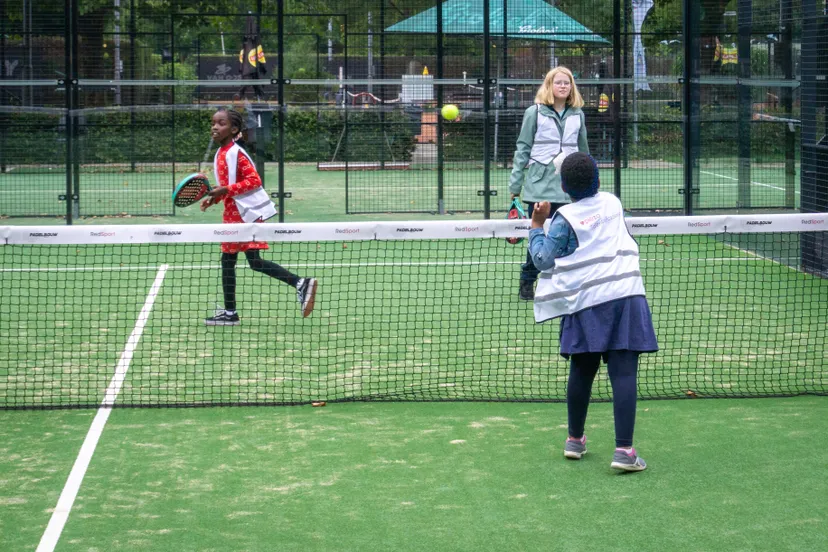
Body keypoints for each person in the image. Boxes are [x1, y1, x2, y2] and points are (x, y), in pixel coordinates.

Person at [527, 152, 658, 472]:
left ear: (563, 186)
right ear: (598, 179)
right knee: (624, 374)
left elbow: (542, 260)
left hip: (585, 304)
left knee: (582, 371)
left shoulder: (563, 219)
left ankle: (575, 440)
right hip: (626, 297)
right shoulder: (613, 202)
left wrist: (535, 225)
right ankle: (624, 452)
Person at [201, 108, 317, 325]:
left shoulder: (236, 152)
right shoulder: (221, 153)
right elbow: (227, 186)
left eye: (221, 123)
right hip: (233, 213)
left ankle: (300, 283)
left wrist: (224, 191)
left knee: (239, 261)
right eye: (213, 123)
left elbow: (254, 181)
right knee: (240, 261)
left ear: (233, 129)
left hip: (245, 214)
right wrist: (215, 198)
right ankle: (231, 312)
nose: (215, 127)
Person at [510, 66, 590, 301]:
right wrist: (515, 185)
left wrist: (588, 183)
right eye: (559, 82)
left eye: (567, 82)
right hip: (540, 186)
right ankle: (528, 280)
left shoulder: (578, 114)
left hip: (569, 188)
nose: (563, 86)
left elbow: (583, 151)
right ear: (549, 86)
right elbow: (522, 149)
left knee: (569, 236)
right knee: (540, 234)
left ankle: (566, 283)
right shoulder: (533, 113)